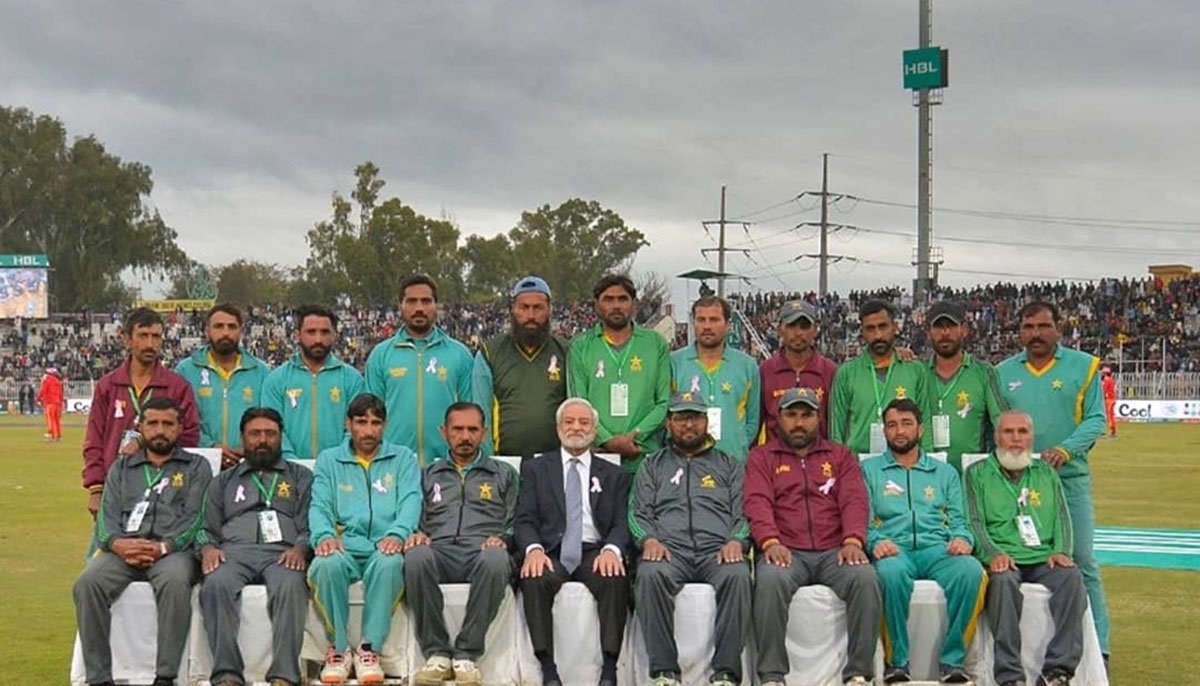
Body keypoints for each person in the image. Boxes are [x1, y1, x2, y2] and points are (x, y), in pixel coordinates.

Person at [996, 301, 1110, 661]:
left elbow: (1096, 420)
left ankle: (1099, 648)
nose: (1036, 334)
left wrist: (1066, 449)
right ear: (1019, 332)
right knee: (1013, 560)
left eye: (1043, 326)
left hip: (1067, 479)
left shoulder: (1083, 366)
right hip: (1016, 483)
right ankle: (1022, 650)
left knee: (1081, 559)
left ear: (1058, 328)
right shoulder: (1002, 372)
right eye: (1028, 327)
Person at [744, 387, 880, 686]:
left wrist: (853, 541)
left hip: (835, 550)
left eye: (807, 415)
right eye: (791, 415)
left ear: (819, 418)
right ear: (778, 418)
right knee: (769, 581)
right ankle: (771, 675)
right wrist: (770, 542)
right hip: (786, 549)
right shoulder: (761, 457)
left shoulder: (840, 455)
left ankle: (858, 673)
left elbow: (855, 500)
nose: (799, 423)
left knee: (866, 579)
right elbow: (757, 501)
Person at [73, 397, 212, 686]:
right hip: (124, 551)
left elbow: (196, 517)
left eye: (167, 424)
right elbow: (106, 518)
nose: (160, 430)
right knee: (87, 584)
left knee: (175, 583)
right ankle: (99, 677)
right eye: (153, 423)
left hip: (173, 552)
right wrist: (118, 544)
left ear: (179, 427)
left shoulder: (196, 467)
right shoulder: (122, 468)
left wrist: (164, 547)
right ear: (140, 427)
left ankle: (165, 675)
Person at [629, 392, 751, 686]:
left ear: (706, 422)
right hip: (670, 551)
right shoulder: (652, 465)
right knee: (649, 573)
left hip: (717, 551)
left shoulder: (728, 464)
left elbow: (745, 511)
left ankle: (726, 672)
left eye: (695, 417)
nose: (688, 425)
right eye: (681, 418)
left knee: (737, 575)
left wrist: (737, 539)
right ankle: (664, 671)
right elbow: (636, 512)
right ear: (669, 423)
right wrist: (648, 540)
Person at [861, 398, 984, 684]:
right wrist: (874, 541)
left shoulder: (945, 473)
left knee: (971, 572)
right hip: (894, 548)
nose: (899, 431)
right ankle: (897, 663)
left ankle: (953, 661)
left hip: (937, 548)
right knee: (889, 574)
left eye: (906, 424)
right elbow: (861, 520)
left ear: (920, 429)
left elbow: (961, 519)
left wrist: (962, 539)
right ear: (885, 431)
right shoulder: (869, 471)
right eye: (892, 425)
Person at [515, 397, 632, 686]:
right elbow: (524, 519)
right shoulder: (535, 469)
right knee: (534, 576)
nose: (576, 427)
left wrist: (612, 550)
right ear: (558, 428)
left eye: (584, 422)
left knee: (614, 575)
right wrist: (533, 550)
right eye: (569, 421)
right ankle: (548, 668)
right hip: (551, 550)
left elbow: (621, 523)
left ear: (594, 429)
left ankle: (609, 667)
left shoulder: (615, 474)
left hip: (594, 550)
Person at [965, 411, 1087, 686]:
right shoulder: (977, 474)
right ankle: (1010, 676)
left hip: (1044, 558)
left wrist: (1063, 551)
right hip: (1003, 558)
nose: (1016, 439)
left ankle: (1058, 670)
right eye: (1009, 432)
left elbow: (1062, 519)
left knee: (1072, 578)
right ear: (997, 436)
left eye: (1023, 432)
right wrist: (993, 554)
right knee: (1004, 583)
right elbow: (974, 522)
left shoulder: (1046, 473)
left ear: (1032, 437)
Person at [307, 393, 422, 685]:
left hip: (386, 543)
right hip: (345, 544)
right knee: (324, 566)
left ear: (384, 425)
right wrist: (324, 536)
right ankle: (339, 649)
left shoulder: (403, 458)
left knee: (389, 565)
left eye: (376, 423)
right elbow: (319, 505)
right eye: (361, 422)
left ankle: (369, 649)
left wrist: (398, 534)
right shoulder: (329, 460)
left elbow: (411, 500)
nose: (369, 431)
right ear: (348, 424)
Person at [405, 402, 518, 686]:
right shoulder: (427, 474)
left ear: (484, 433)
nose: (465, 436)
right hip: (439, 549)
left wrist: (503, 538)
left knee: (496, 559)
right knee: (415, 556)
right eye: (457, 429)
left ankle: (466, 653)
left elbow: (519, 519)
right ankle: (437, 653)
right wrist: (417, 532)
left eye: (472, 429)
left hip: (482, 551)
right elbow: (412, 514)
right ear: (444, 432)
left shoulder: (503, 474)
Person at [197, 407, 312, 686]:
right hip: (234, 554)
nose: (263, 440)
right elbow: (203, 527)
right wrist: (208, 549)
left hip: (283, 554)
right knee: (215, 584)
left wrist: (301, 548)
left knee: (291, 585)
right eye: (255, 434)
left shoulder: (301, 477)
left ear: (281, 437)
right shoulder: (222, 481)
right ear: (243, 437)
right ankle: (227, 673)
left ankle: (284, 674)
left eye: (270, 434)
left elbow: (313, 524)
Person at [82, 307, 200, 520]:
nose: (150, 343)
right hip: (116, 485)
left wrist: (145, 441)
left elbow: (190, 436)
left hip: (164, 488)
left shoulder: (177, 386)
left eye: (156, 336)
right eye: (143, 336)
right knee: (109, 551)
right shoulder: (108, 385)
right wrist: (96, 489)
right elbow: (94, 439)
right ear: (127, 339)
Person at [366, 275, 473, 466]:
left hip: (447, 465)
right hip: (394, 465)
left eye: (426, 301)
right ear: (400, 306)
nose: (419, 308)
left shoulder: (460, 354)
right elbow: (370, 416)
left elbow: (470, 412)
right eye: (411, 301)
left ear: (436, 306)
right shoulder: (380, 355)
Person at [567, 274, 670, 473]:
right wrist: (607, 440)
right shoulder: (580, 346)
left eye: (623, 299)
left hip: (644, 454)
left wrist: (636, 435)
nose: (616, 305)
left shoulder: (655, 343)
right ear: (596, 305)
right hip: (598, 455)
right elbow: (577, 403)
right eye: (608, 299)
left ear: (634, 305)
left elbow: (664, 401)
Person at [472, 275, 569, 458]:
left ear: (549, 311)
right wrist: (488, 461)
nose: (530, 316)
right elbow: (480, 412)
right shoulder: (489, 352)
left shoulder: (566, 351)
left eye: (538, 308)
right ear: (512, 310)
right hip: (504, 461)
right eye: (524, 307)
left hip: (553, 463)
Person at [261, 304, 364, 460]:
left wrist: (336, 460)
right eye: (311, 332)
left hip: (339, 469)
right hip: (289, 471)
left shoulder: (352, 379)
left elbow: (356, 427)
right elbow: (271, 427)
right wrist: (292, 462)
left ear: (334, 335)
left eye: (325, 332)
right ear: (297, 335)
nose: (318, 339)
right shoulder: (276, 379)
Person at [175, 303, 271, 470]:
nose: (225, 333)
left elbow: (269, 419)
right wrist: (210, 447)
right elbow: (179, 419)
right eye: (219, 326)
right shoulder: (186, 370)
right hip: (199, 464)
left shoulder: (261, 371)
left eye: (232, 327)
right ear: (207, 331)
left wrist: (251, 445)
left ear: (241, 331)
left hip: (248, 463)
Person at [831, 300, 928, 456]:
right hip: (859, 466)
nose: (878, 335)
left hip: (904, 465)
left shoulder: (915, 370)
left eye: (883, 327)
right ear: (862, 332)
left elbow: (925, 422)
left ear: (895, 327)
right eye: (870, 329)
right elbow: (836, 430)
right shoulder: (846, 373)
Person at [670, 295, 761, 461]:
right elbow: (667, 415)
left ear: (728, 325)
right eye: (701, 320)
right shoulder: (674, 363)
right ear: (693, 323)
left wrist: (737, 444)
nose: (707, 326)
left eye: (714, 320)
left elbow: (753, 420)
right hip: (686, 461)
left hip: (733, 463)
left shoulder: (747, 365)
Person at [923, 301, 1008, 472]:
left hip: (971, 474)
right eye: (938, 327)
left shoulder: (984, 373)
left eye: (951, 326)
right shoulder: (918, 373)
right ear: (928, 332)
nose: (945, 333)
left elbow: (1002, 420)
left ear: (964, 329)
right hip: (927, 476)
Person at [758, 300, 838, 442]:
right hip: (774, 460)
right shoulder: (765, 371)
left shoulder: (830, 371)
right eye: (791, 326)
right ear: (780, 329)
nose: (798, 333)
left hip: (820, 460)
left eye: (804, 326)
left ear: (815, 330)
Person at [37, 366, 64, 441]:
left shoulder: (47, 380)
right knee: (57, 420)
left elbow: (43, 390)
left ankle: (51, 434)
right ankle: (58, 436)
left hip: (50, 402)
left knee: (50, 419)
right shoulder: (58, 381)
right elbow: (61, 393)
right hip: (58, 403)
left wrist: (38, 398)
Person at [1101, 367, 1117, 437]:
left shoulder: (1106, 380)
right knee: (1110, 416)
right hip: (1111, 399)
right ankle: (1112, 431)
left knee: (1109, 416)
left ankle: (1111, 431)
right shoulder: (1111, 380)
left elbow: (1104, 390)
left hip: (1108, 400)